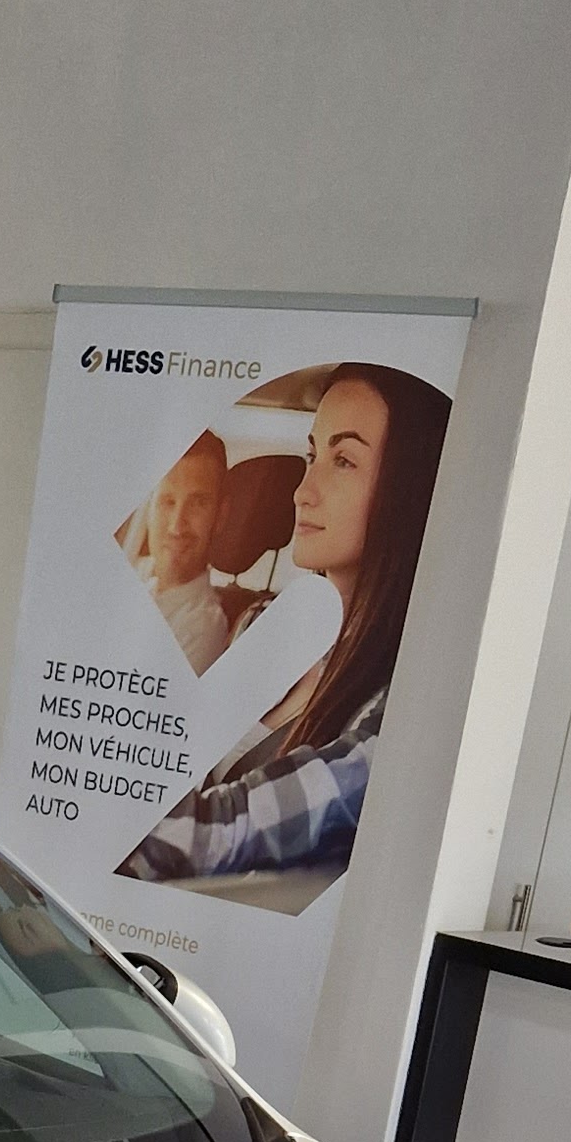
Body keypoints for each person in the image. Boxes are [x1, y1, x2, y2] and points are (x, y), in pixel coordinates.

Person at [119, 363, 453, 884]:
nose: (302, 492)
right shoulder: (263, 627)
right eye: (312, 456)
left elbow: (199, 839)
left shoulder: (404, 701)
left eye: (344, 461)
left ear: (408, 491)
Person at [126, 429, 232, 674]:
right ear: (149, 508)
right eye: (168, 502)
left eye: (198, 504)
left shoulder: (202, 627)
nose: (177, 527)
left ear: (220, 516)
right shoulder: (128, 571)